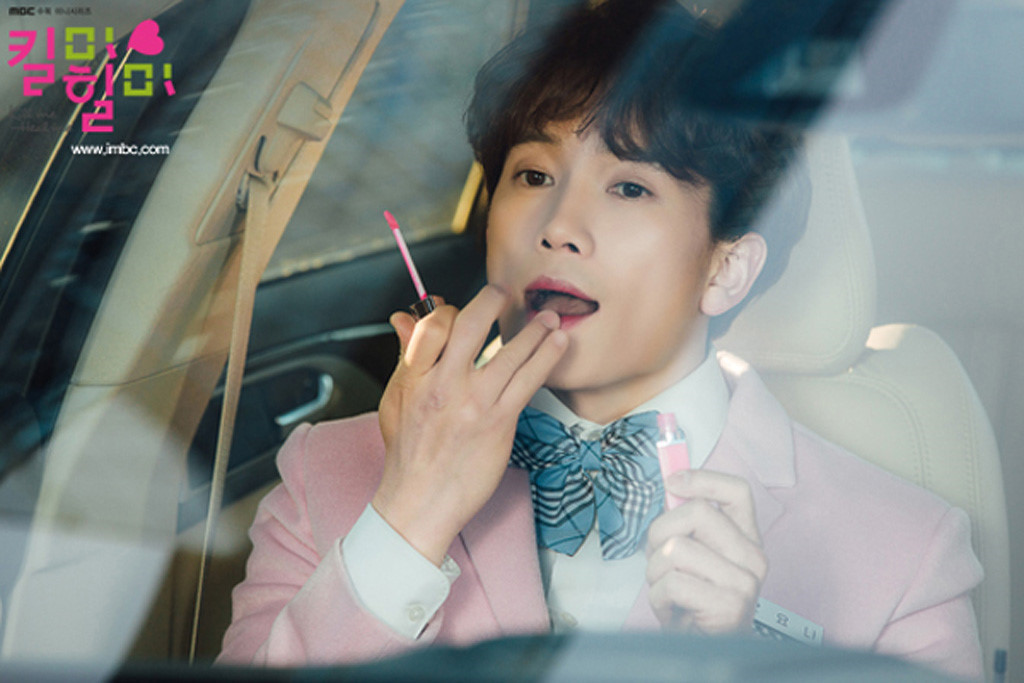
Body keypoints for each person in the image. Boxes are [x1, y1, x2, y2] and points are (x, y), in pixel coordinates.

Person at [217, 0, 983, 678]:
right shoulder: (323, 473)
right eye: (533, 176)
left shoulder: (906, 554)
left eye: (629, 186)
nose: (559, 229)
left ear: (725, 268)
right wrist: (409, 513)